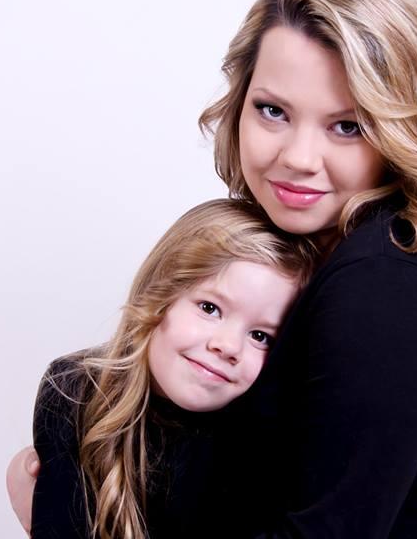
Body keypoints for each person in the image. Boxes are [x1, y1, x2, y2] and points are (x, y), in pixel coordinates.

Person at [10, 0, 417, 538]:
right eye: (273, 111)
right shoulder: (344, 252)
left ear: (407, 130)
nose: (297, 157)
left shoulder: (400, 276)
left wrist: (50, 510)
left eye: (347, 126)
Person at [22, 199, 316, 538]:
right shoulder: (74, 390)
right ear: (159, 295)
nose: (228, 346)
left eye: (261, 336)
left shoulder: (261, 438)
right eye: (210, 308)